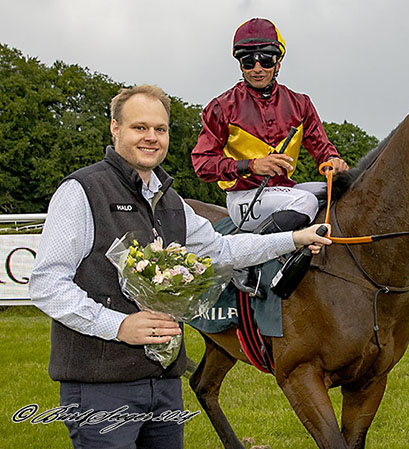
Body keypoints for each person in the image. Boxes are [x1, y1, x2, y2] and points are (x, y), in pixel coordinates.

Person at [29, 84, 332, 449]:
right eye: (139, 127)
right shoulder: (83, 190)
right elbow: (46, 284)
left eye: (160, 129)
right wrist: (118, 325)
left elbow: (221, 250)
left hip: (164, 383)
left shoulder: (169, 198)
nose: (152, 138)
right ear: (115, 129)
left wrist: (294, 238)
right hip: (101, 386)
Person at [191, 17, 349, 234]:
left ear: (278, 63)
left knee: (340, 192)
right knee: (306, 202)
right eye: (248, 62)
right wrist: (252, 166)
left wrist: (332, 160)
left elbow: (322, 148)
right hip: (244, 197)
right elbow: (202, 164)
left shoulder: (300, 103)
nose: (257, 69)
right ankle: (252, 255)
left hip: (285, 189)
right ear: (240, 65)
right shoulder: (221, 107)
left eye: (265, 61)